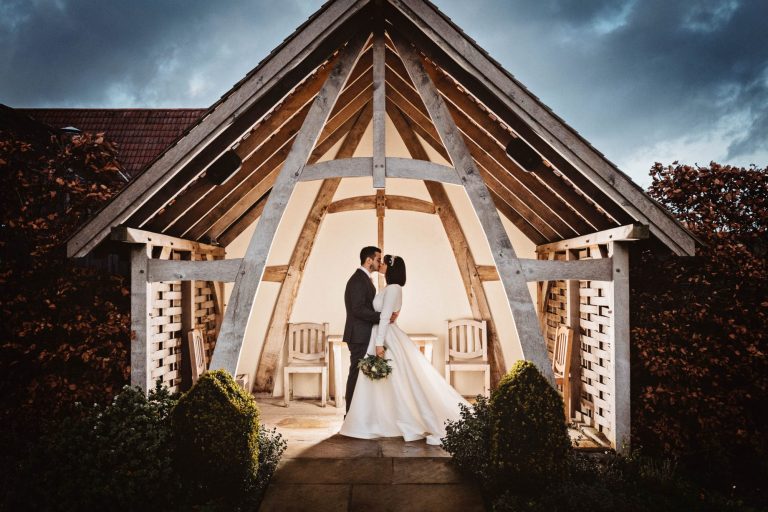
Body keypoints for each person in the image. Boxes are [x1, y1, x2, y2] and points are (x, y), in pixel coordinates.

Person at [340, 254, 470, 445]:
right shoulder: (388, 288)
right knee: (384, 382)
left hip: (384, 337)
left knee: (399, 381)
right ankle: (378, 420)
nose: (381, 265)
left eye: (384, 263)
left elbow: (384, 318)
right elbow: (380, 314)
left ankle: (391, 421)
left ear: (391, 269)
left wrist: (378, 344)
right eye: (379, 260)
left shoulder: (393, 288)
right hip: (378, 335)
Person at [342, 246, 397, 414]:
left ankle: (359, 415)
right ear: (369, 260)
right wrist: (382, 317)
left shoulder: (364, 279)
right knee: (356, 374)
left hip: (363, 333)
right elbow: (357, 309)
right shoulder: (358, 280)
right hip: (358, 335)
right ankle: (350, 415)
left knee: (360, 375)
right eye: (378, 259)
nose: (380, 263)